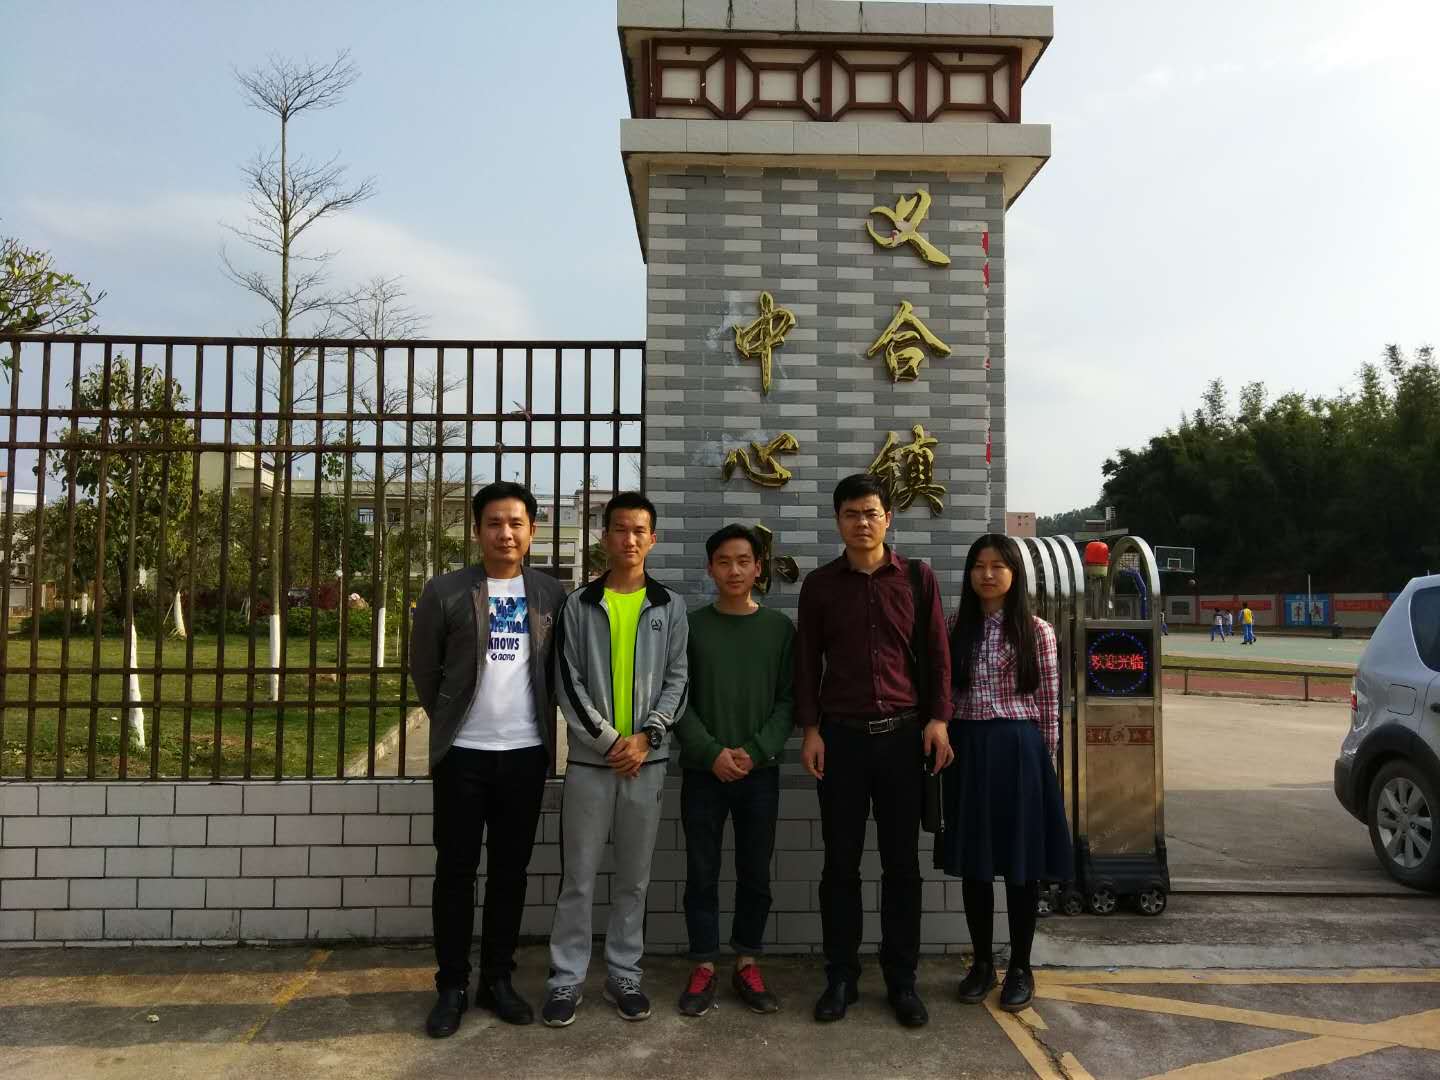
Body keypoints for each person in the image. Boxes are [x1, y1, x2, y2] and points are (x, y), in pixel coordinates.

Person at [410, 481, 569, 1037]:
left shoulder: (550, 594)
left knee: (509, 873)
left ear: (532, 531)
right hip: (463, 757)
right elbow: (424, 668)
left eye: (516, 523)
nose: (506, 533)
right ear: (477, 531)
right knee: (455, 872)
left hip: (524, 755)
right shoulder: (445, 591)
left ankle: (497, 979)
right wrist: (450, 719)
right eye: (495, 523)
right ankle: (451, 985)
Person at [795, 473, 954, 1028]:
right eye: (851, 514)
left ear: (888, 518)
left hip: (903, 740)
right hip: (839, 740)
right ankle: (840, 977)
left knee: (901, 865)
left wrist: (939, 719)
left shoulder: (916, 578)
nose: (861, 523)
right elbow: (806, 662)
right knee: (839, 865)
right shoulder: (820, 585)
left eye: (870, 513)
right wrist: (810, 730)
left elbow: (937, 653)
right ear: (837, 521)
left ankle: (901, 980)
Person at [543, 492, 690, 1027]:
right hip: (591, 765)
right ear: (604, 537)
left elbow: (678, 679)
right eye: (620, 529)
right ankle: (566, 979)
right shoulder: (578, 604)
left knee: (634, 878)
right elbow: (567, 681)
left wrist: (647, 737)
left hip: (647, 764)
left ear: (653, 538)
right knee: (578, 878)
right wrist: (609, 742)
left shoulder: (670, 606)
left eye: (639, 530)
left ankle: (625, 974)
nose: (630, 539)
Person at [941, 534, 1073, 1013]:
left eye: (998, 565)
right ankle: (981, 964)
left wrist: (1044, 765)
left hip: (1020, 752)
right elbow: (945, 695)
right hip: (968, 751)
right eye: (979, 565)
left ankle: (1020, 966)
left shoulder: (1037, 631)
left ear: (1015, 573)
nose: (987, 574)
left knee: (1022, 866)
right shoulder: (954, 626)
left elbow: (1050, 705)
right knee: (976, 865)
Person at [674, 524, 794, 1017]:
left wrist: (755, 750)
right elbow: (676, 697)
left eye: (744, 561)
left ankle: (747, 961)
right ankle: (703, 964)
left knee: (755, 872)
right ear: (710, 568)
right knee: (701, 872)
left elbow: (788, 701)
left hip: (759, 773)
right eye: (724, 561)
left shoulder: (779, 629)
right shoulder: (690, 627)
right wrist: (710, 753)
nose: (734, 570)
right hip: (703, 772)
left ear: (758, 567)